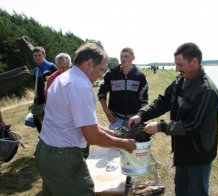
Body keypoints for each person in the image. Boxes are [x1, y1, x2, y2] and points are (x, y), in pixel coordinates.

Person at [35, 43, 136, 196]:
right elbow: (93, 137)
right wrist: (124, 143)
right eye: (101, 69)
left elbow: (80, 121)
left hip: (44, 151)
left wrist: (109, 132)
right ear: (89, 64)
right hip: (63, 158)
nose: (101, 74)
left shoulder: (62, 78)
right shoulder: (80, 86)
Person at [128, 42, 218, 196]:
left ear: (195, 62)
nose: (177, 69)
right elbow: (162, 102)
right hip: (183, 150)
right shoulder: (180, 81)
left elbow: (193, 125)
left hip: (199, 153)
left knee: (197, 192)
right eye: (176, 64)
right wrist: (141, 115)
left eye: (180, 65)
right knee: (181, 190)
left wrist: (161, 126)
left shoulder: (206, 91)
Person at [98, 47, 149, 129]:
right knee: (115, 141)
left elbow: (144, 99)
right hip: (115, 119)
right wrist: (106, 111)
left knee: (133, 142)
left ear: (133, 58)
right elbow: (101, 93)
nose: (123, 59)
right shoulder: (111, 74)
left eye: (126, 56)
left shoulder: (140, 76)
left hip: (133, 119)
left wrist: (140, 116)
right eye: (121, 56)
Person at [32, 47, 56, 133]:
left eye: (39, 55)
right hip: (40, 101)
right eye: (35, 56)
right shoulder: (36, 69)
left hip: (51, 100)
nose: (37, 57)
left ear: (44, 55)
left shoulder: (51, 66)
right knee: (39, 123)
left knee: (52, 124)